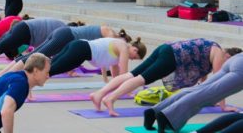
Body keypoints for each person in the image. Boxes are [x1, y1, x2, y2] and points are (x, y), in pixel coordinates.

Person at [90, 38, 239, 117]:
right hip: (172, 57)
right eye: (230, 62)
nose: (228, 65)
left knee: (131, 75)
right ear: (228, 56)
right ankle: (111, 98)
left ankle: (99, 94)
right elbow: (219, 83)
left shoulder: (212, 49)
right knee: (141, 79)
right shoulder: (219, 54)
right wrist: (223, 106)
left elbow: (204, 80)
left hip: (166, 48)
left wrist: (207, 99)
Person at [143, 50, 243, 133]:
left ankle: (154, 111)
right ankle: (166, 116)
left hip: (237, 59)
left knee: (199, 90)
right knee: (207, 95)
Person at [0, 25, 127, 77]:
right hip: (66, 36)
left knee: (33, 54)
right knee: (35, 56)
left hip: (64, 33)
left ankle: (1, 75)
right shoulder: (110, 35)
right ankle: (5, 77)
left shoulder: (108, 34)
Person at [0, 17, 68, 60]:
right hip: (26, 31)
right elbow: (56, 50)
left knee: (8, 52)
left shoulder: (62, 28)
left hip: (25, 30)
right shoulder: (64, 33)